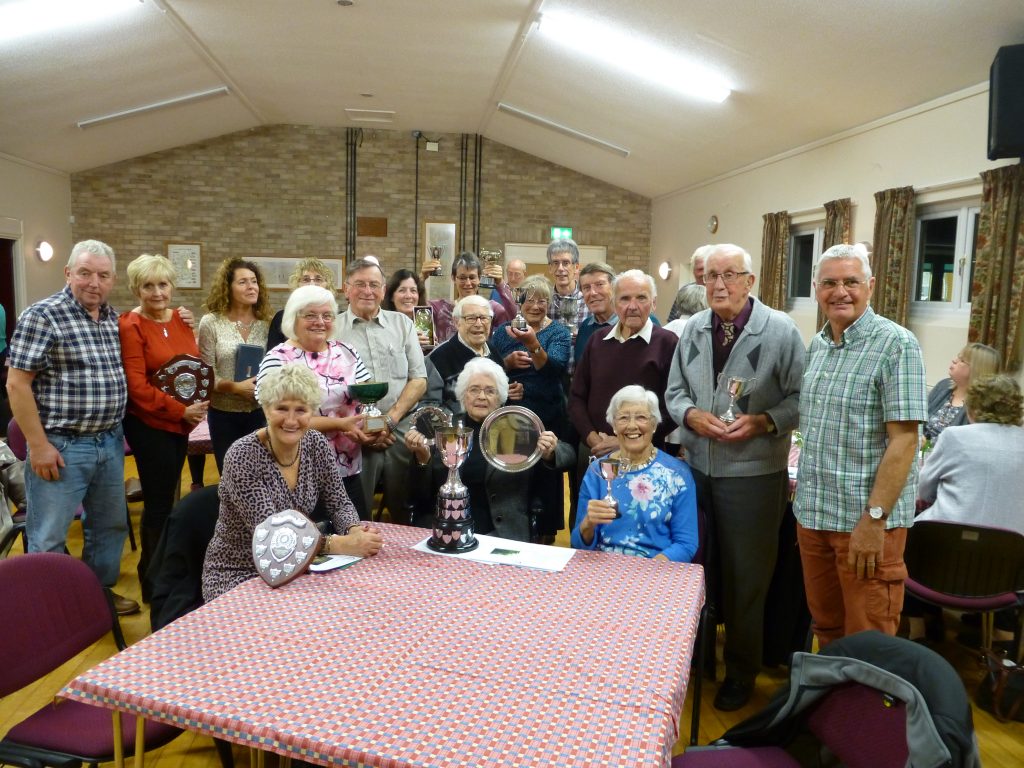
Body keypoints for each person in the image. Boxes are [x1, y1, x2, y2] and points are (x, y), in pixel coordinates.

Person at [665, 243, 805, 711]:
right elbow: (674, 391)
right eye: (711, 276)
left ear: (750, 281)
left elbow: (802, 398)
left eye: (730, 275)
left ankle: (741, 672)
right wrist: (690, 415)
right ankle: (698, 657)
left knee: (747, 578)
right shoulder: (693, 329)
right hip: (697, 469)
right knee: (699, 568)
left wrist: (765, 421)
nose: (719, 284)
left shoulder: (781, 331)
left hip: (753, 475)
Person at [794, 243, 927, 648]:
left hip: (864, 524)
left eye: (851, 282)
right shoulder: (818, 346)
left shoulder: (896, 344)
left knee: (869, 641)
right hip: (815, 518)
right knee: (828, 631)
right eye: (829, 283)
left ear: (870, 285)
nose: (840, 292)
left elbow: (905, 441)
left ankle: (863, 698)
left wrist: (874, 520)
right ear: (817, 289)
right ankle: (831, 693)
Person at [5, 240, 138, 615]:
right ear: (68, 273)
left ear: (112, 279)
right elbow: (17, 385)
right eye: (85, 273)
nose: (94, 282)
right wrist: (38, 446)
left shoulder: (113, 319)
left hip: (109, 442)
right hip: (61, 446)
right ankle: (45, 610)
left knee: (109, 527)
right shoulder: (43, 316)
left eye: (103, 275)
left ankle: (96, 595)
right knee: (49, 534)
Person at [202, 364, 383, 602]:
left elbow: (339, 503)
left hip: (298, 568)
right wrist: (340, 544)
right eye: (281, 408)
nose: (291, 420)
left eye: (301, 410)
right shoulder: (242, 456)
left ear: (312, 412)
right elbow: (272, 537)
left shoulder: (316, 444)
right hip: (240, 574)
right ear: (266, 408)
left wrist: (354, 531)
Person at [908, 374, 1024, 647]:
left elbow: (923, 490)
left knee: (906, 534)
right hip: (1005, 573)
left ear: (973, 407)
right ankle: (1002, 639)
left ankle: (919, 629)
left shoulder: (954, 437)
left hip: (938, 565)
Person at [118, 254, 209, 601]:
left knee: (170, 498)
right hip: (149, 424)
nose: (157, 292)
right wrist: (181, 410)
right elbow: (137, 387)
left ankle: (166, 572)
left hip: (179, 424)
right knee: (159, 504)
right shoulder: (131, 325)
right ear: (135, 289)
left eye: (163, 284)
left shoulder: (182, 319)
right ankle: (153, 583)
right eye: (148, 286)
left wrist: (194, 406)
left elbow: (191, 368)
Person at [406, 358, 573, 540]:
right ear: (463, 395)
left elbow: (569, 455)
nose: (481, 397)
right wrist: (422, 459)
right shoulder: (445, 430)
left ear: (501, 397)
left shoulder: (519, 427)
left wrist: (551, 452)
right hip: (448, 528)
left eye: (490, 391)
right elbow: (418, 493)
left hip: (504, 531)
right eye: (474, 389)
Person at [257, 285, 372, 518]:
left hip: (347, 469)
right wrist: (340, 424)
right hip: (298, 474)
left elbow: (368, 399)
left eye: (327, 315)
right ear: (293, 318)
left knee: (356, 532)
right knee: (308, 537)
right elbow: (277, 419)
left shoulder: (347, 352)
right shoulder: (277, 359)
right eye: (310, 315)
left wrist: (372, 425)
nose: (320, 322)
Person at [337, 258, 427, 523]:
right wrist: (364, 428)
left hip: (400, 430)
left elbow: (419, 379)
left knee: (406, 508)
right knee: (358, 512)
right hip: (355, 433)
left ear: (384, 290)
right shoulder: (332, 330)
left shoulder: (403, 325)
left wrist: (390, 420)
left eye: (374, 285)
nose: (368, 291)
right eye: (360, 284)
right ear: (346, 289)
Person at [572, 385, 698, 562]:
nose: (632, 426)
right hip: (602, 567)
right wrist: (587, 524)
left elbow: (686, 544)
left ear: (654, 425)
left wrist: (646, 571)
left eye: (641, 417)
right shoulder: (597, 471)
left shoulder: (677, 474)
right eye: (623, 418)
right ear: (614, 426)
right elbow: (578, 544)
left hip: (656, 567)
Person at [491, 274, 572, 541]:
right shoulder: (502, 332)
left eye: (543, 301)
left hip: (547, 416)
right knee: (513, 478)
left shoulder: (558, 332)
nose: (536, 306)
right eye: (530, 300)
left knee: (545, 479)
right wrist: (506, 366)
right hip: (511, 419)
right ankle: (512, 530)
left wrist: (533, 344)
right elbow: (489, 370)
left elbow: (554, 369)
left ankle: (545, 535)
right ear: (520, 302)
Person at [570, 269, 678, 457]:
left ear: (653, 303)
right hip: (595, 451)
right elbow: (576, 397)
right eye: (625, 299)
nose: (632, 306)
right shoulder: (597, 340)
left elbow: (674, 406)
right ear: (614, 303)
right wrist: (594, 440)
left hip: (645, 455)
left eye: (641, 298)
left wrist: (626, 442)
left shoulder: (667, 343)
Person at [198, 257, 272, 473]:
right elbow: (206, 374)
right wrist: (235, 387)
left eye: (254, 281)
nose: (251, 286)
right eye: (243, 282)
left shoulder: (267, 323)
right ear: (227, 288)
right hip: (224, 414)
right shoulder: (211, 322)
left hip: (260, 412)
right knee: (231, 475)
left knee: (262, 475)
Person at [424, 295, 524, 417]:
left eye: (484, 318)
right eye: (471, 318)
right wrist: (461, 422)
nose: (478, 324)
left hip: (493, 425)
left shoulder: (493, 351)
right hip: (456, 428)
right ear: (456, 322)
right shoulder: (437, 359)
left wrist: (507, 392)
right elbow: (428, 406)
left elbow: (498, 398)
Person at [420, 251, 516, 343]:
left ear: (479, 278)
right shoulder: (441, 308)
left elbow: (514, 318)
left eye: (472, 277)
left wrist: (500, 283)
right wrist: (421, 278)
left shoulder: (490, 308)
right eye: (462, 278)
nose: (468, 283)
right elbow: (418, 311)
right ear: (453, 278)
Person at [923, 342, 1000, 441]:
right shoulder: (944, 385)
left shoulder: (982, 406)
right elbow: (920, 420)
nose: (954, 360)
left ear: (976, 370)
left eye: (962, 360)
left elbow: (968, 443)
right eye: (958, 357)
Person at [267, 257, 337, 349]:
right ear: (297, 285)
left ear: (327, 285)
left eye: (318, 279)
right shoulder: (281, 317)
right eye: (306, 280)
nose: (312, 284)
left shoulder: (337, 316)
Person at [546, 239, 590, 374]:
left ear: (576, 267)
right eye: (555, 263)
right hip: (550, 376)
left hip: (581, 375)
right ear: (550, 268)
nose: (560, 268)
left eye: (566, 263)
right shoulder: (544, 302)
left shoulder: (589, 301)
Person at [573, 262, 617, 364]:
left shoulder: (631, 324)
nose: (593, 293)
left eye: (599, 285)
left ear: (614, 287)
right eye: (586, 287)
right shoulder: (585, 327)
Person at [383, 268, 431, 349]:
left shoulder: (426, 322)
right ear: (391, 297)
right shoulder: (382, 325)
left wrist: (433, 347)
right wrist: (409, 343)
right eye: (402, 290)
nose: (408, 296)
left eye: (413, 290)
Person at [667, 244, 712, 322]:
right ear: (693, 271)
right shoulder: (685, 292)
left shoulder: (722, 292)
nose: (704, 273)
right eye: (700, 269)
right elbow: (672, 321)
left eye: (708, 269)